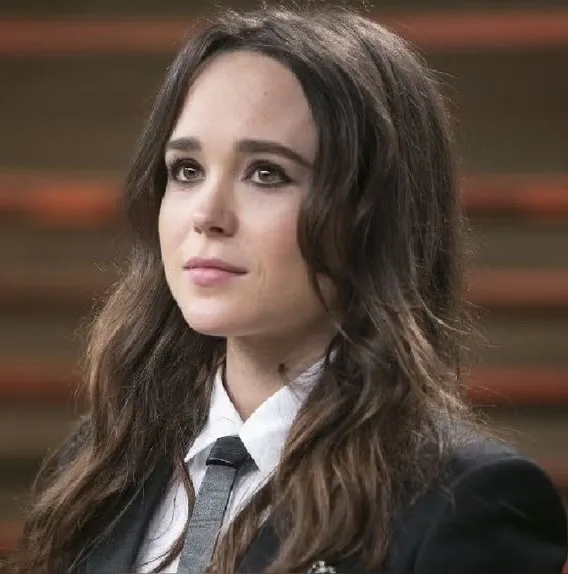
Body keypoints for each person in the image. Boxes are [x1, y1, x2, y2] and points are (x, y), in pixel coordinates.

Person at [11, 5, 567, 574]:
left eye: (266, 173)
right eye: (186, 170)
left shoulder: (465, 504)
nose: (207, 215)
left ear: (373, 215)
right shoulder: (99, 465)